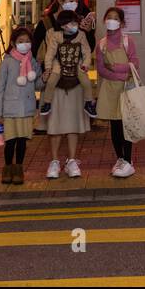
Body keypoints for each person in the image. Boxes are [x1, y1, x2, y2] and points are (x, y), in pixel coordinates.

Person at [39, 11, 93, 178]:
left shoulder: (82, 35)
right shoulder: (54, 35)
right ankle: (54, 161)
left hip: (75, 79)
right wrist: (48, 68)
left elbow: (87, 52)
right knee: (55, 124)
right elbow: (49, 54)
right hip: (58, 76)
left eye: (74, 22)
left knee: (73, 123)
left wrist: (85, 65)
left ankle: (72, 160)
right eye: (69, 23)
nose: (73, 26)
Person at [94, 6, 140, 178]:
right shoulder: (101, 44)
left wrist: (115, 68)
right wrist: (122, 73)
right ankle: (120, 158)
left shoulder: (128, 41)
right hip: (110, 89)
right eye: (109, 17)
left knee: (126, 125)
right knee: (114, 127)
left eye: (115, 18)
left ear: (121, 22)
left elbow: (135, 63)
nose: (111, 20)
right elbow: (100, 69)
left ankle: (128, 161)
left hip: (126, 89)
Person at [0, 26, 39, 185]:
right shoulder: (6, 62)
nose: (24, 44)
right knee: (10, 141)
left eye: (27, 41)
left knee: (22, 141)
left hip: (26, 108)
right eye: (21, 41)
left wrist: (45, 78)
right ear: (13, 43)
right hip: (9, 110)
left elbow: (38, 84)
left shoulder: (33, 61)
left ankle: (18, 169)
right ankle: (7, 168)